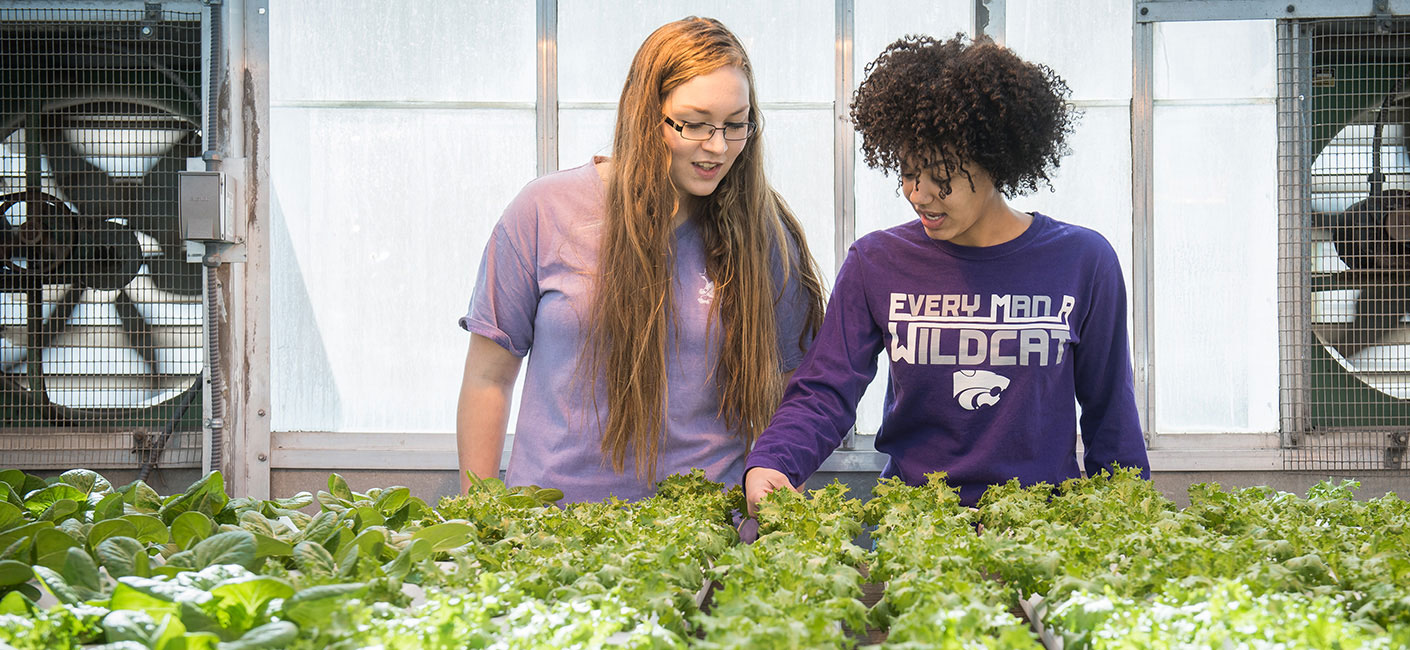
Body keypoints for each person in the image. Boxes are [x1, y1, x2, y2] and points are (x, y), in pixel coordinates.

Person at [744, 34, 1150, 515]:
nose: (919, 194)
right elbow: (825, 391)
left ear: (997, 162)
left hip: (1044, 530)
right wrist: (772, 463)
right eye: (908, 172)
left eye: (942, 177)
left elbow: (1110, 413)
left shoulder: (1083, 261)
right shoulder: (876, 262)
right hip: (918, 530)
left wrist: (1126, 521)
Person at [456, 17, 825, 503]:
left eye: (735, 125)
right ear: (645, 115)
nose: (717, 147)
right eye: (693, 124)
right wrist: (478, 519)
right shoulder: (543, 211)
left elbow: (793, 393)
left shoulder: (766, 234)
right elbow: (488, 379)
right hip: (549, 535)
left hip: (701, 535)